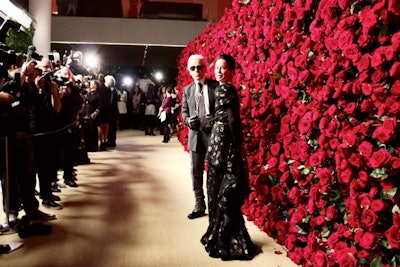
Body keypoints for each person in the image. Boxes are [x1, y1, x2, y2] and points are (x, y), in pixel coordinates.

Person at [201, 54, 258, 260]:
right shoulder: (228, 89)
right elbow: (233, 120)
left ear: (232, 70)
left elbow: (222, 117)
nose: (218, 71)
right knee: (229, 188)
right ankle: (222, 238)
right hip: (226, 142)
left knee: (217, 187)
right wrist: (239, 142)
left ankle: (217, 235)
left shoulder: (220, 89)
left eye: (223, 68)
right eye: (216, 68)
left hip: (217, 141)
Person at [181, 54, 218, 219]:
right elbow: (184, 112)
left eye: (200, 67)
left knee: (214, 173)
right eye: (193, 68)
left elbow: (224, 111)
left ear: (206, 68)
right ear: (189, 71)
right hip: (195, 137)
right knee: (196, 172)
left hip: (214, 137)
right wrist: (189, 121)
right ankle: (199, 205)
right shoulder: (187, 90)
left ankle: (214, 206)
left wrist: (215, 119)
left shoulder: (216, 86)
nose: (197, 71)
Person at [104, 75, 119, 148]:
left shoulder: (112, 90)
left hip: (112, 112)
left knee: (112, 127)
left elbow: (111, 102)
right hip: (112, 111)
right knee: (111, 127)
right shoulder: (113, 90)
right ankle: (110, 140)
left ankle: (111, 141)